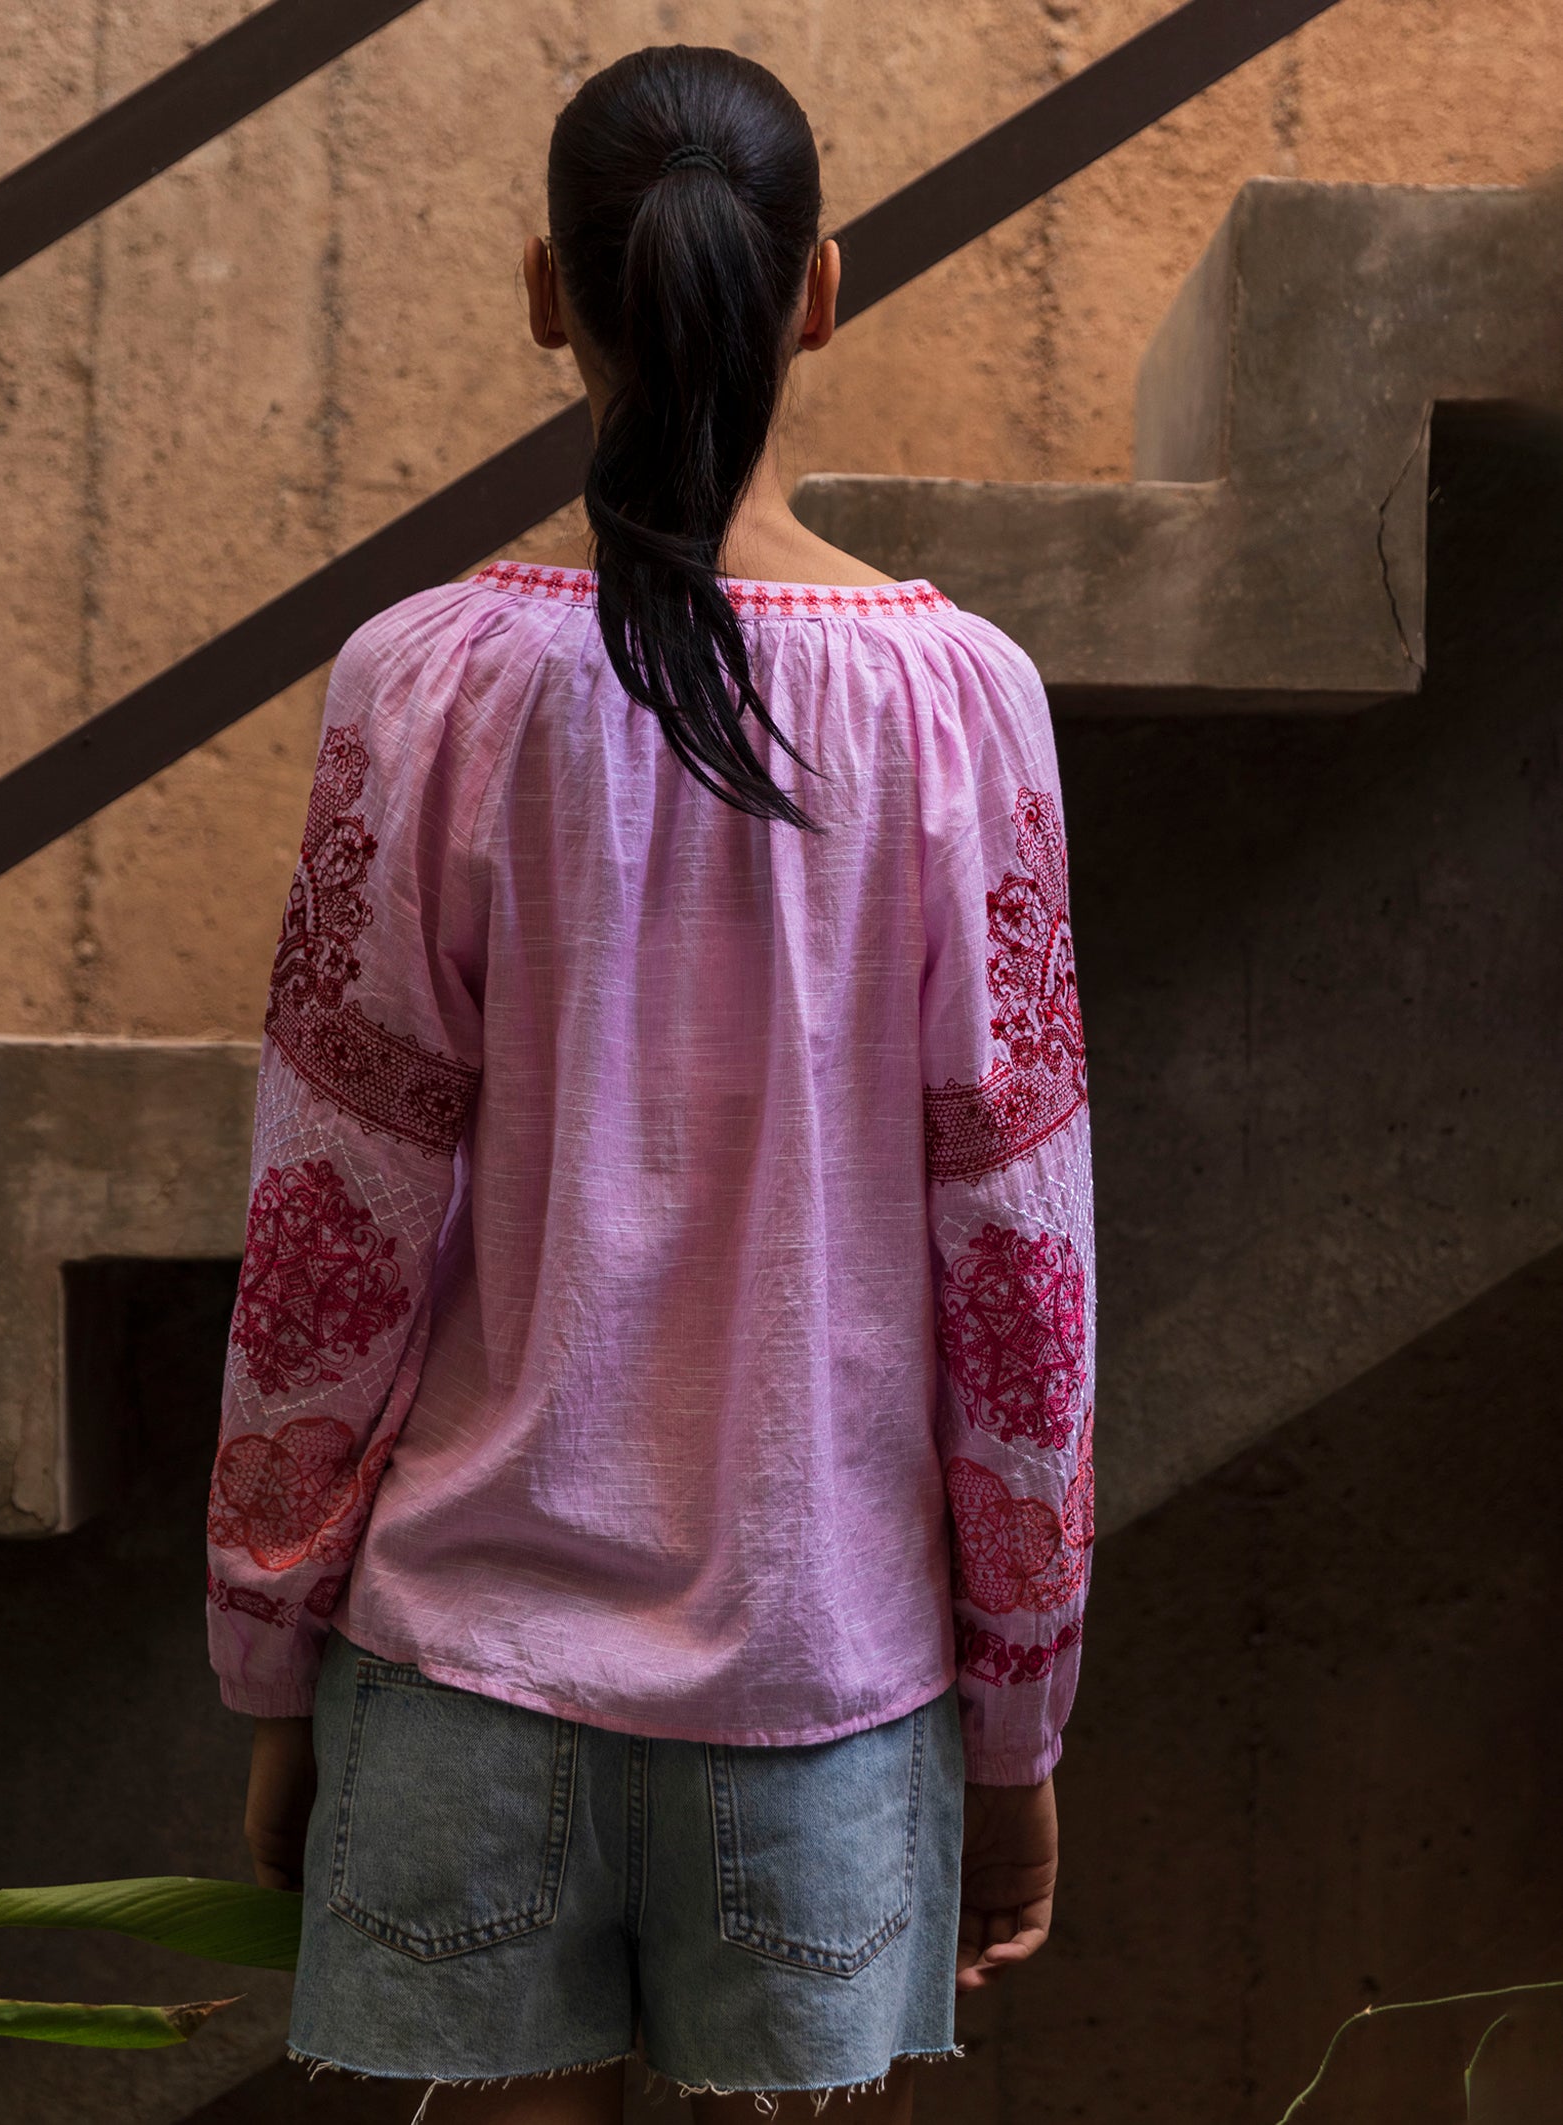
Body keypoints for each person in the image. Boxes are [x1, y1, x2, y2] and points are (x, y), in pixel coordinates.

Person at [206, 41, 1095, 2125]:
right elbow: (1016, 1260)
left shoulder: (422, 684)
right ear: (821, 289)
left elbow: (326, 1222)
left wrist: (271, 1663)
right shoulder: (960, 708)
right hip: (828, 1671)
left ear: (545, 289)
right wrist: (1020, 1722)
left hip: (460, 1660)